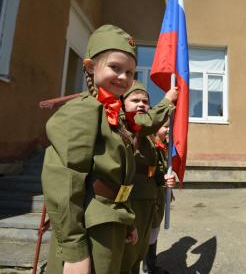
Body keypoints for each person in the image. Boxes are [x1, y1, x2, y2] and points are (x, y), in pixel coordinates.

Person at [41, 24, 176, 274]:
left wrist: (127, 221)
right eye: (115, 67)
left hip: (111, 222)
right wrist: (74, 250)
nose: (124, 77)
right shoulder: (83, 110)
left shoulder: (112, 116)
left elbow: (118, 179)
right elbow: (64, 182)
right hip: (90, 231)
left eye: (130, 72)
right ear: (91, 66)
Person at [120, 81, 176, 274]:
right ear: (122, 104)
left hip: (148, 203)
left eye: (145, 101)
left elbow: (150, 169)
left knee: (137, 257)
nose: (141, 104)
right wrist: (168, 100)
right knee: (124, 260)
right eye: (135, 100)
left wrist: (163, 178)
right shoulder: (121, 130)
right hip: (129, 205)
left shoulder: (146, 140)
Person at [143, 119, 173, 274]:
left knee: (155, 229)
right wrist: (162, 179)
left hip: (159, 193)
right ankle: (149, 265)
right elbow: (150, 171)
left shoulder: (163, 146)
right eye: (166, 127)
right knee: (151, 229)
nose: (168, 130)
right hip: (152, 194)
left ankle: (149, 263)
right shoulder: (152, 145)